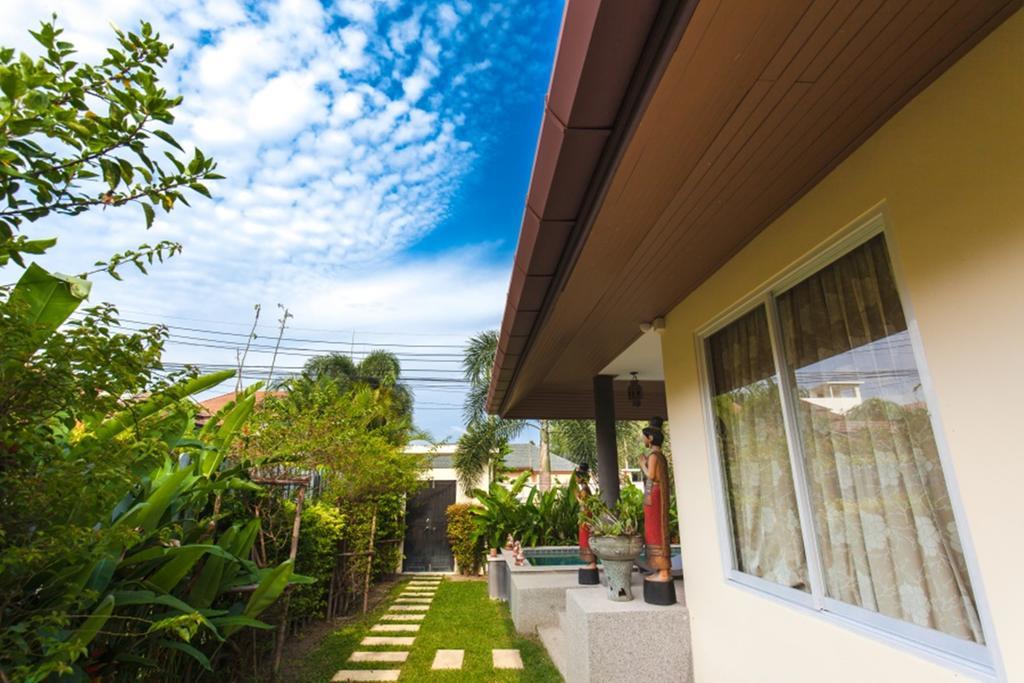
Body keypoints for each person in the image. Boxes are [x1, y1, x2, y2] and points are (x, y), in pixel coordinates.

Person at [641, 416, 675, 604]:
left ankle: (663, 571)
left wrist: (642, 465)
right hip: (654, 496)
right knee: (655, 532)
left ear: (651, 439)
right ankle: (662, 570)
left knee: (655, 532)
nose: (644, 441)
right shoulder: (658, 456)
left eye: (645, 437)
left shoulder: (654, 456)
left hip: (655, 495)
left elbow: (651, 476)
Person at [575, 463, 599, 584]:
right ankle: (591, 562)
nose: (576, 479)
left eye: (577, 477)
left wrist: (577, 498)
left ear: (581, 477)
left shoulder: (584, 490)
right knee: (585, 539)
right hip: (585, 518)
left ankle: (592, 562)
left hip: (585, 518)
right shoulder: (585, 488)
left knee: (586, 539)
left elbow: (584, 505)